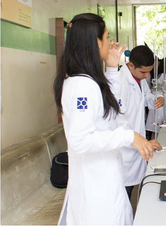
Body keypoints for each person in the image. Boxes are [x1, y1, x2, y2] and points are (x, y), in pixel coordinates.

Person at [53, 13, 154, 225]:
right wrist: (128, 136)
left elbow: (113, 108)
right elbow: (80, 140)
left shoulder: (86, 80)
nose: (110, 43)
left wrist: (111, 67)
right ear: (96, 42)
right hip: (96, 186)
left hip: (103, 179)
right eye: (107, 38)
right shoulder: (83, 86)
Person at [105, 45, 163, 199]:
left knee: (132, 192)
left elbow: (146, 97)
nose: (146, 75)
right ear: (130, 65)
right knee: (122, 194)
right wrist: (141, 142)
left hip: (136, 144)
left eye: (149, 71)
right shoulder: (119, 83)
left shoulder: (139, 79)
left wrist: (156, 99)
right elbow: (118, 120)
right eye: (143, 71)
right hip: (124, 149)